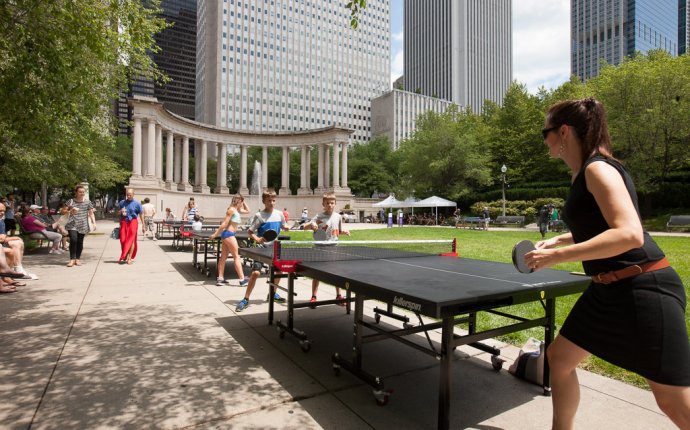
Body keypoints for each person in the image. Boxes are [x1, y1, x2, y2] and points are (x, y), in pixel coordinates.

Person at [524, 97, 690, 429]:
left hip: (644, 288)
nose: (544, 139)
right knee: (559, 359)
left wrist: (557, 256)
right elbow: (599, 228)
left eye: (546, 132)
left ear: (564, 132)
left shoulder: (598, 168)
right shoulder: (581, 173)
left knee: (673, 401)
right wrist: (560, 240)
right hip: (608, 289)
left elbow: (630, 234)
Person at [235, 189, 289, 312]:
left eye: (274, 200)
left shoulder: (279, 214)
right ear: (264, 201)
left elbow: (283, 225)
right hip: (261, 248)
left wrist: (286, 227)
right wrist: (257, 239)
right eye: (269, 200)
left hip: (275, 248)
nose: (272, 202)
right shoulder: (259, 216)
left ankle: (273, 293)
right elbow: (250, 232)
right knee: (255, 273)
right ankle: (246, 299)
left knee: (278, 272)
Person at [303, 192, 350, 305]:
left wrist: (344, 232)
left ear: (335, 204)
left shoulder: (338, 217)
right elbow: (305, 227)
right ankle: (313, 296)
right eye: (327, 203)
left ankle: (339, 296)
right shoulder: (319, 216)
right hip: (320, 248)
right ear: (323, 204)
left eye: (332, 203)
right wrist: (312, 225)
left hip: (334, 248)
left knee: (336, 273)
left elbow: (338, 231)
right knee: (317, 274)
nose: (329, 205)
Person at [210, 194, 250, 286]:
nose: (242, 203)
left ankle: (220, 279)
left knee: (223, 257)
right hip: (229, 234)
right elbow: (224, 224)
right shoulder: (231, 210)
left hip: (227, 235)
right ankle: (242, 279)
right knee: (236, 256)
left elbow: (248, 211)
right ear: (238, 201)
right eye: (241, 202)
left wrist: (244, 201)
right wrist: (215, 234)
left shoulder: (237, 210)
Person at [65, 184, 97, 267]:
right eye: (80, 192)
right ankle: (72, 259)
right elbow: (63, 210)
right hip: (72, 224)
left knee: (80, 242)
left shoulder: (87, 202)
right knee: (73, 240)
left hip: (83, 224)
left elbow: (91, 213)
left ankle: (77, 259)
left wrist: (94, 223)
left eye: (83, 192)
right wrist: (70, 211)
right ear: (76, 192)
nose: (82, 193)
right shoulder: (71, 201)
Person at [117, 188, 143, 265]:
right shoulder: (122, 202)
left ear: (133, 194)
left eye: (130, 194)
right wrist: (120, 212)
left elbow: (141, 215)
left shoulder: (137, 204)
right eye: (127, 194)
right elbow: (117, 213)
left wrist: (143, 225)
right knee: (123, 240)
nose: (128, 196)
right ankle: (124, 254)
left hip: (133, 222)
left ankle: (129, 257)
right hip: (124, 222)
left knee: (131, 240)